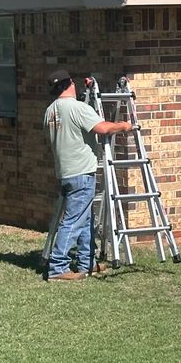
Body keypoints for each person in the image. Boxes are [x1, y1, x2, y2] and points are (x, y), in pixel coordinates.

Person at [43, 69, 132, 281]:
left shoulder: (50, 111)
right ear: (71, 84)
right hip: (81, 172)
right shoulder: (77, 108)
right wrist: (124, 125)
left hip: (65, 171)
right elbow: (102, 128)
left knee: (84, 219)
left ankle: (87, 262)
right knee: (73, 221)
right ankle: (57, 268)